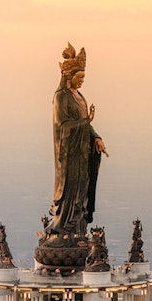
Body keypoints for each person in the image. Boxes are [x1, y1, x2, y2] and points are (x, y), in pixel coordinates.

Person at [46, 44, 109, 238]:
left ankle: (79, 226)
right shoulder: (61, 97)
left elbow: (84, 125)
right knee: (70, 191)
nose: (81, 81)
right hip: (69, 156)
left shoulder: (79, 97)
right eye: (79, 77)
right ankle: (65, 227)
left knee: (83, 189)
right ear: (68, 76)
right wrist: (86, 121)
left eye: (83, 77)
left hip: (82, 153)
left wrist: (96, 137)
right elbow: (63, 127)